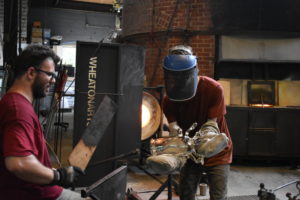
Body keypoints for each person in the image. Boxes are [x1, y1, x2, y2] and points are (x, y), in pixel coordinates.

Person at [0, 44, 90, 200]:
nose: (53, 80)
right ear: (31, 73)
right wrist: (58, 176)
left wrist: (51, 171)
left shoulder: (14, 102)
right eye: (50, 75)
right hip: (33, 194)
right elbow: (18, 163)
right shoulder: (18, 110)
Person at [162, 45, 233, 200]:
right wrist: (175, 147)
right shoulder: (169, 100)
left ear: (195, 70)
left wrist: (205, 143)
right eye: (175, 76)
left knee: (218, 195)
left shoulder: (213, 89)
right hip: (190, 151)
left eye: (184, 75)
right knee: (186, 193)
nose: (179, 80)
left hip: (216, 148)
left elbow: (211, 126)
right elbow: (174, 128)